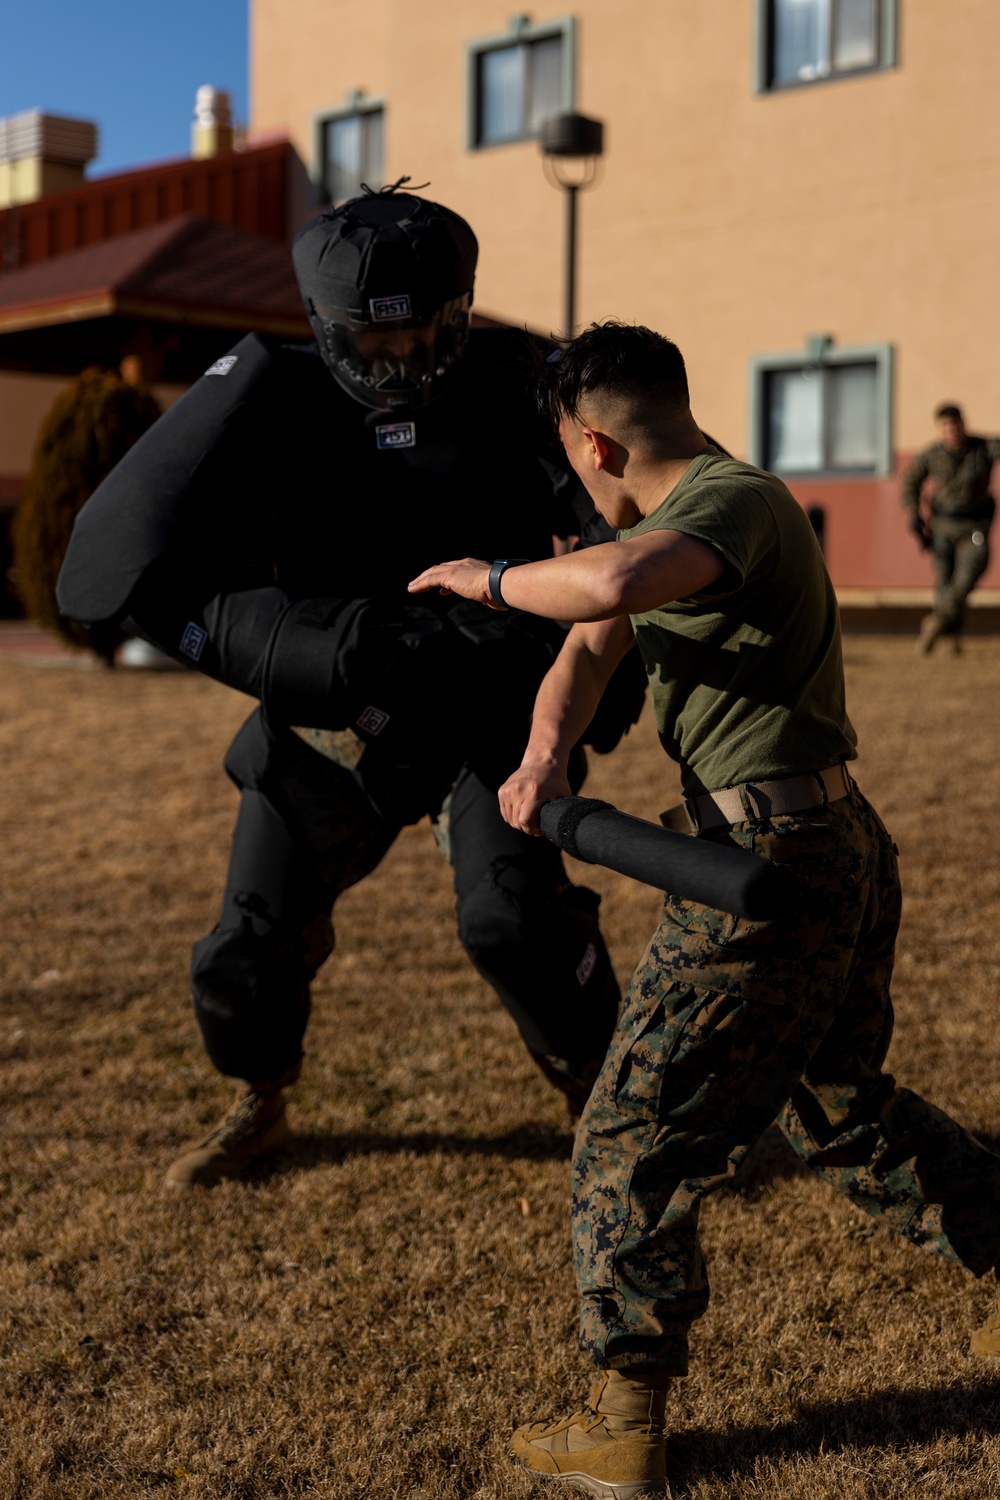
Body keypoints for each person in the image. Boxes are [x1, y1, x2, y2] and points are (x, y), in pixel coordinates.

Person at [410, 322, 1000, 1499]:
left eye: (570, 454)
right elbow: (588, 645)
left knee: (630, 1133)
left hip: (767, 860)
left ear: (591, 439)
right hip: (817, 842)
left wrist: (484, 578)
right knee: (835, 1103)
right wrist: (542, 762)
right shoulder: (668, 519)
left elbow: (612, 586)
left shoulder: (730, 504)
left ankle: (623, 1419)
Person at [57, 184, 646, 1189]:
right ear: (325, 330)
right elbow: (113, 563)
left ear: (462, 312)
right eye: (377, 346)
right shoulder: (271, 396)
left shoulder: (518, 382)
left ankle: (600, 1093)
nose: (407, 362)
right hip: (338, 710)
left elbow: (632, 527)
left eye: (429, 334)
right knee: (246, 945)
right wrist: (301, 645)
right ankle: (260, 1092)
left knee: (514, 920)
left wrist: (592, 656)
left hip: (486, 704)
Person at [901, 402, 1000, 654]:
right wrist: (914, 514)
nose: (951, 431)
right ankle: (952, 640)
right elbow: (911, 481)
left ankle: (935, 623)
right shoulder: (932, 454)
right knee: (945, 581)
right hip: (943, 526)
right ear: (940, 429)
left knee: (967, 576)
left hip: (973, 526)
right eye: (945, 427)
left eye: (955, 425)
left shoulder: (982, 448)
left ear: (962, 425)